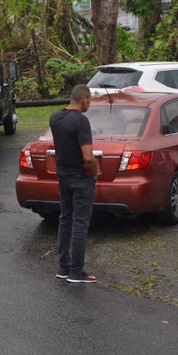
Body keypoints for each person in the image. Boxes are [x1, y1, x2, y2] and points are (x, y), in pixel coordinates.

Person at [50, 84, 99, 283]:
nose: (90, 104)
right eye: (90, 100)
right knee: (80, 223)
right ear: (84, 99)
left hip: (63, 176)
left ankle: (63, 267)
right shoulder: (81, 121)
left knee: (65, 219)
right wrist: (95, 173)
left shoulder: (55, 117)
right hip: (81, 178)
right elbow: (88, 156)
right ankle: (76, 271)